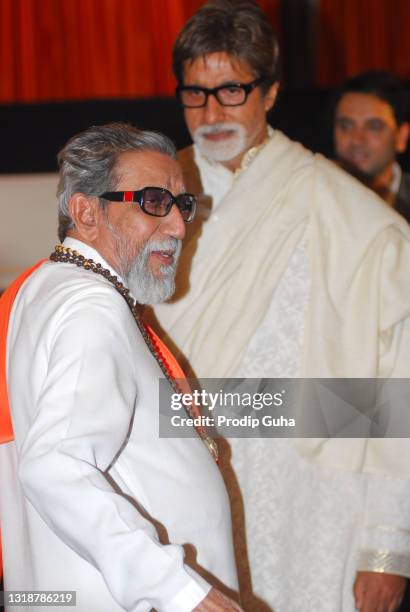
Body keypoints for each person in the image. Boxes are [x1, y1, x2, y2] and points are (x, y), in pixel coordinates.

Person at [151, 2, 410, 611]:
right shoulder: (150, 206)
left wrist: (387, 547)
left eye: (232, 90)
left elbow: (394, 392)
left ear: (269, 93)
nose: (212, 112)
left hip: (315, 507)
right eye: (195, 93)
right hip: (178, 496)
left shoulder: (358, 224)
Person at [0, 123, 243, 612]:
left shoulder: (45, 288)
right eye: (153, 201)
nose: (177, 227)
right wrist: (178, 590)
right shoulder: (92, 306)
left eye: (182, 205)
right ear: (86, 210)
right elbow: (56, 466)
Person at [334, 70, 410, 221]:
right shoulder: (317, 195)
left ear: (401, 136)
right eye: (346, 126)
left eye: (374, 127)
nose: (357, 140)